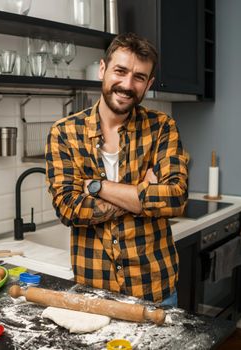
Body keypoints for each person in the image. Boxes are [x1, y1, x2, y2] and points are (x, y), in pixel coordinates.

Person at [45, 32, 189, 306]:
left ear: (149, 84)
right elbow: (68, 208)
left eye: (139, 77)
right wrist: (142, 195)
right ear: (103, 69)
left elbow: (175, 198)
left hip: (155, 289)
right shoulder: (64, 133)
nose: (127, 84)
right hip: (94, 292)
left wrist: (99, 188)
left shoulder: (162, 128)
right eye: (120, 71)